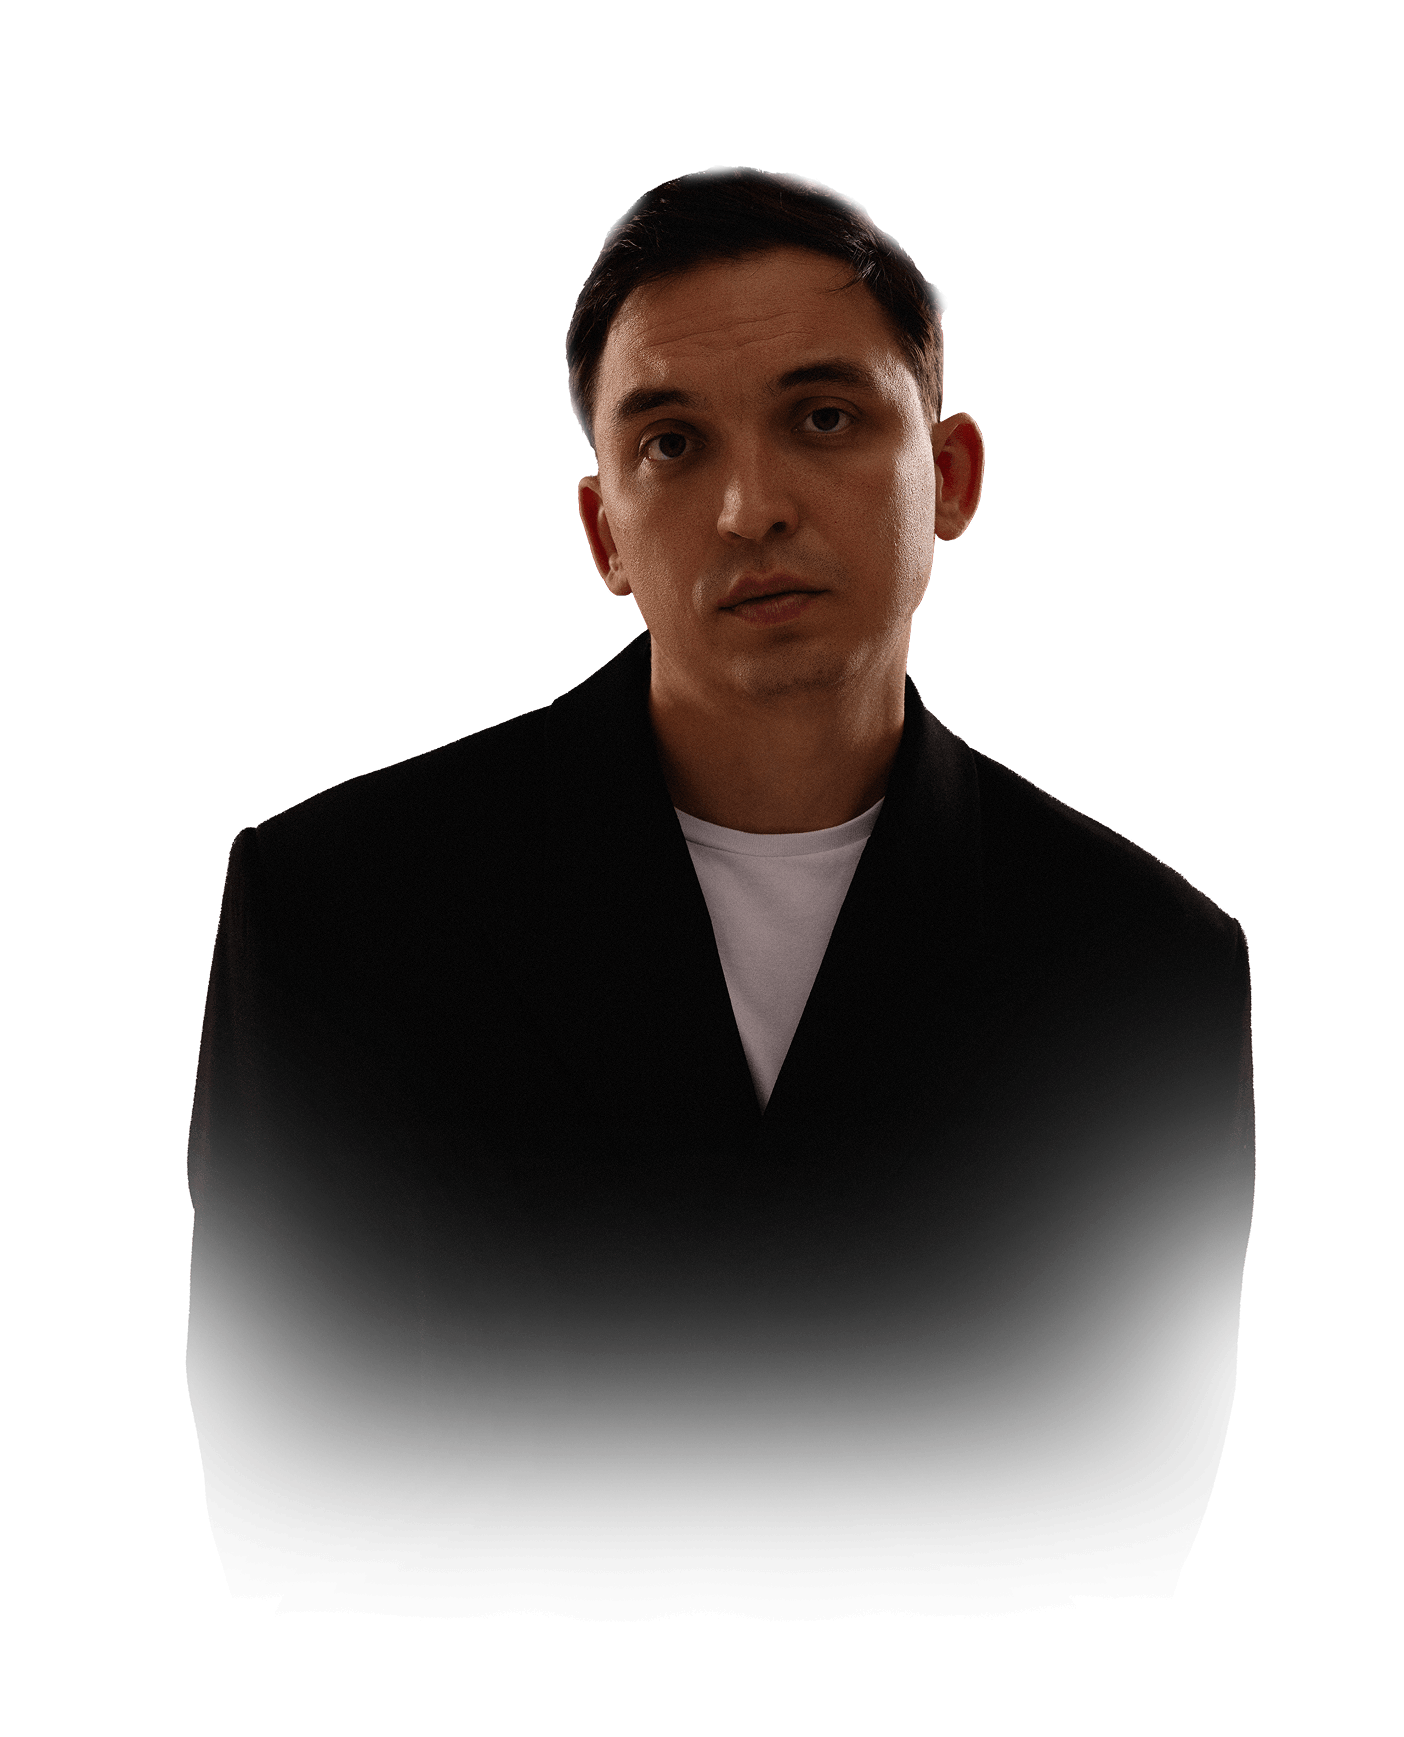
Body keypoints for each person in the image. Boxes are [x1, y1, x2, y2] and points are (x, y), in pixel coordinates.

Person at [187, 166, 1254, 1614]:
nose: (753, 508)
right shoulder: (334, 911)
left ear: (950, 476)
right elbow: (281, 1480)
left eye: (824, 418)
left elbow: (1131, 1514)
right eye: (674, 444)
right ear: (603, 534)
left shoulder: (1147, 967)